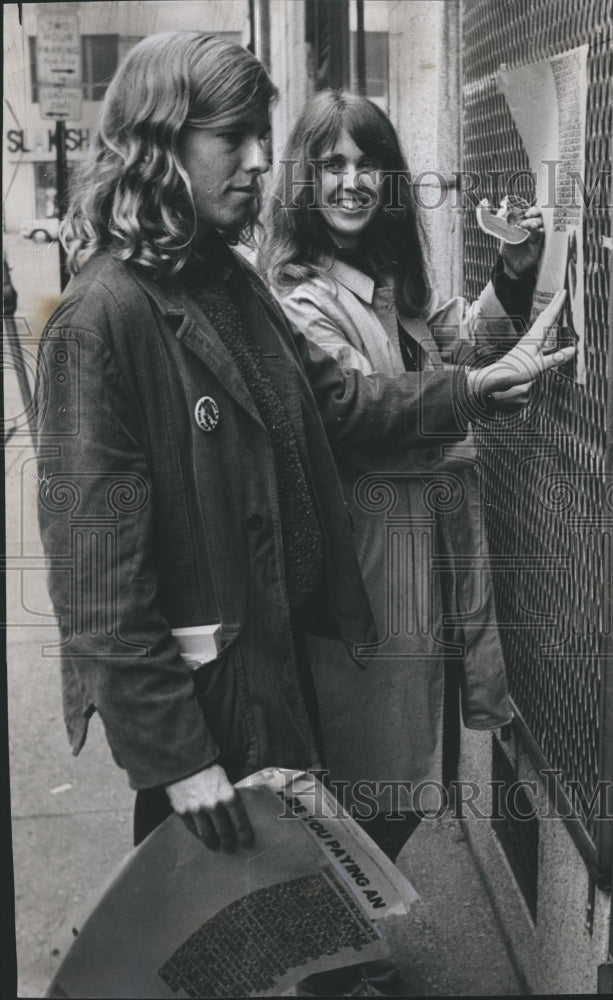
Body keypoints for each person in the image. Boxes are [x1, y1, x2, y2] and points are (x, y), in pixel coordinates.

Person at [35, 33, 571, 996]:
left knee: (263, 929)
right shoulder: (100, 320)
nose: (256, 163)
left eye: (259, 137)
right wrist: (177, 761)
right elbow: (98, 590)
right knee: (199, 943)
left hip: (271, 676)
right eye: (232, 137)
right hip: (203, 714)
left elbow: (340, 402)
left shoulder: (227, 279)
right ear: (159, 144)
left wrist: (476, 384)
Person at [264, 90, 551, 994]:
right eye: (333, 164)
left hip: (413, 566)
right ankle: (317, 962)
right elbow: (352, 408)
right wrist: (472, 392)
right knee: (372, 782)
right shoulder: (297, 295)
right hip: (364, 571)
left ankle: (326, 952)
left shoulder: (385, 281)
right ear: (305, 180)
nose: (352, 181)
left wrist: (516, 270)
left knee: (399, 775)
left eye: (368, 164)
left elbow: (445, 352)